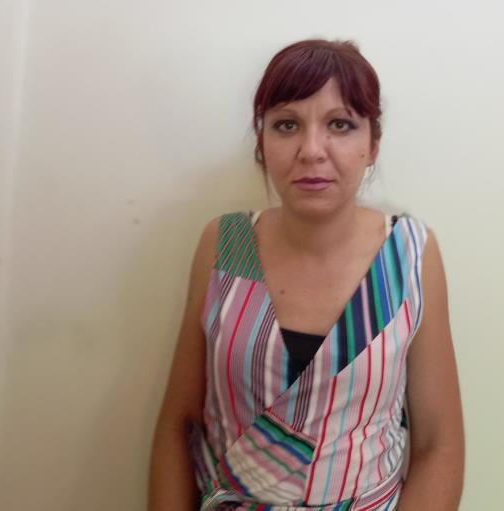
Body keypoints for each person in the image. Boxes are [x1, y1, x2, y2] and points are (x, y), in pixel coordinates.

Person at [148, 38, 464, 511]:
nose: (312, 150)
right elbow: (180, 421)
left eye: (340, 124)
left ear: (372, 145)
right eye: (287, 125)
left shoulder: (411, 255)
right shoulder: (224, 244)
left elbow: (440, 443)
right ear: (262, 143)